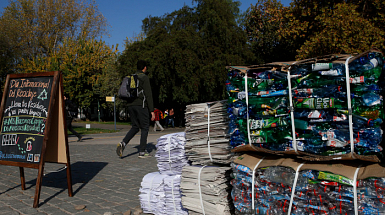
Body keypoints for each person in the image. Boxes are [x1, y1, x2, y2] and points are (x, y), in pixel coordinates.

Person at [116, 60, 155, 158]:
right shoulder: (144, 78)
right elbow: (148, 94)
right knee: (145, 127)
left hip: (130, 105)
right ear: (145, 67)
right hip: (140, 105)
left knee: (135, 127)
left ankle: (123, 143)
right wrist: (152, 110)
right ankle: (142, 151)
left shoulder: (132, 77)